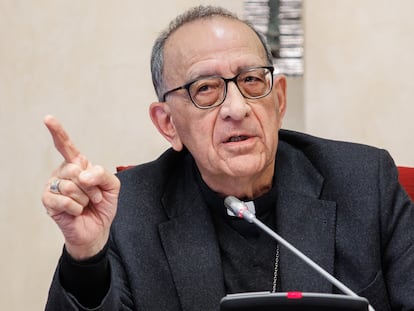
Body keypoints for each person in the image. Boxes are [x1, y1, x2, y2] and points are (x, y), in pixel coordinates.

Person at [42, 5, 414, 311]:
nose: (237, 108)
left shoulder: (365, 184)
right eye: (205, 88)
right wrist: (87, 258)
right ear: (168, 124)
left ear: (279, 100)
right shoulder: (127, 211)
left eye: (251, 81)